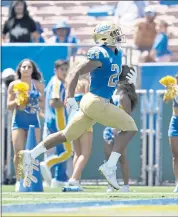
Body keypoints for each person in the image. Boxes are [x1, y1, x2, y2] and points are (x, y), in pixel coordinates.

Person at [18, 22, 138, 190]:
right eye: (114, 33)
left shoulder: (116, 54)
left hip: (96, 101)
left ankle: (32, 154)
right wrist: (70, 97)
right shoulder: (100, 53)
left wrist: (127, 79)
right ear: (105, 36)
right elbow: (76, 72)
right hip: (95, 100)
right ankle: (110, 166)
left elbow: (110, 79)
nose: (118, 36)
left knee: (67, 134)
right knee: (130, 127)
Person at [7, 59, 44, 191]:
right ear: (20, 69)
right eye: (24, 67)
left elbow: (43, 105)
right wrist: (18, 100)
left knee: (33, 153)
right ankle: (19, 180)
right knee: (18, 153)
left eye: (29, 67)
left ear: (33, 70)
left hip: (34, 122)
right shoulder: (14, 85)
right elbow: (8, 105)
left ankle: (31, 180)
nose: (26, 69)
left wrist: (33, 101)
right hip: (18, 121)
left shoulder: (38, 85)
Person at [103, 65, 138, 192]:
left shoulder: (125, 95)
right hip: (109, 128)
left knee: (121, 158)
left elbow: (127, 116)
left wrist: (119, 128)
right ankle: (111, 184)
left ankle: (126, 185)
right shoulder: (114, 91)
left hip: (119, 130)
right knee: (108, 157)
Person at [40, 60, 73, 188]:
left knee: (60, 150)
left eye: (66, 69)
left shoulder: (53, 81)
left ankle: (60, 178)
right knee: (67, 150)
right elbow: (53, 102)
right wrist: (67, 102)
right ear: (55, 70)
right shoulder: (57, 83)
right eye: (62, 69)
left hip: (53, 120)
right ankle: (48, 165)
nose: (64, 72)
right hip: (58, 121)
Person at [66, 77, 93, 190]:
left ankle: (76, 181)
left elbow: (67, 101)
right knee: (85, 153)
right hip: (84, 119)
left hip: (72, 119)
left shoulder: (71, 84)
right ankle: (74, 179)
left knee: (77, 153)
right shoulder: (86, 83)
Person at [166, 74, 178, 192]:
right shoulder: (174, 89)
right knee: (175, 156)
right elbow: (166, 100)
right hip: (175, 121)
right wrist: (169, 91)